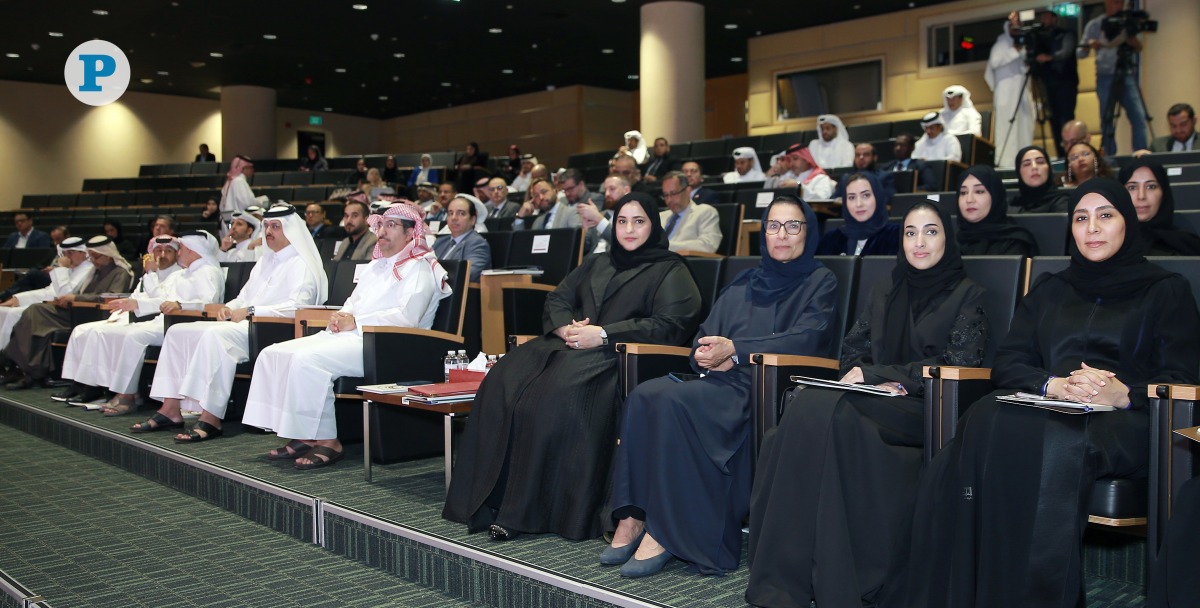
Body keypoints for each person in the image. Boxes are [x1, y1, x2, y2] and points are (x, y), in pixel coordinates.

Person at [884, 178, 1200, 608]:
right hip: (1052, 403)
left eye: (1105, 216)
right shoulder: (1051, 288)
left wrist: (1123, 393)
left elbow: (1181, 376)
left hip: (1126, 420)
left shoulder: (1166, 290)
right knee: (985, 417)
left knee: (1056, 441)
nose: (1092, 228)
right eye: (1081, 218)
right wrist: (1054, 384)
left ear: (1126, 222)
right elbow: (1009, 361)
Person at [746, 201, 989, 607]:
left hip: (927, 408)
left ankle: (827, 582)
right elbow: (851, 353)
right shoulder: (885, 290)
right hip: (875, 398)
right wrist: (871, 379)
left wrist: (888, 377)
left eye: (931, 231)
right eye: (910, 233)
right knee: (807, 408)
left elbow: (961, 363)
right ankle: (787, 579)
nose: (919, 242)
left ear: (948, 238)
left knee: (829, 413)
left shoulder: (970, 294)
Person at [443, 193, 704, 542]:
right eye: (623, 221)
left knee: (556, 394)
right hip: (570, 344)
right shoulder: (598, 261)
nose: (628, 229)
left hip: (621, 357)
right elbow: (558, 298)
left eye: (639, 221)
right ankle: (491, 501)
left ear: (653, 225)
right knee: (503, 378)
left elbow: (672, 323)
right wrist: (565, 327)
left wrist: (605, 333)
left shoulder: (671, 269)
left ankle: (531, 511)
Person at [604, 196, 838, 578]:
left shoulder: (819, 281)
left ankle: (668, 531)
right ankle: (634, 515)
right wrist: (704, 352)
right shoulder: (745, 280)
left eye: (793, 226)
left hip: (762, 386)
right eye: (773, 226)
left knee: (676, 403)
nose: (782, 234)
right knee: (644, 395)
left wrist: (738, 351)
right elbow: (704, 332)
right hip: (715, 378)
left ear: (808, 233)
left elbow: (809, 338)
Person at [242, 204, 451, 468]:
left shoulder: (420, 268)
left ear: (411, 234)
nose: (382, 231)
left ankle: (328, 441)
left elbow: (406, 318)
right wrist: (341, 316)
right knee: (274, 353)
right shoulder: (377, 265)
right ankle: (303, 434)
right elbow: (353, 302)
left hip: (391, 344)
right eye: (380, 225)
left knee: (307, 361)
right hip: (356, 337)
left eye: (391, 225)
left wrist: (355, 321)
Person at [134, 205, 327, 439]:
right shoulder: (265, 262)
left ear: (292, 230)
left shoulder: (301, 263)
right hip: (245, 324)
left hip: (273, 330)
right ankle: (170, 408)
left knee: (214, 336)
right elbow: (243, 298)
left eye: (276, 227)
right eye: (266, 226)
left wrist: (251, 310)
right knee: (178, 331)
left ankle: (210, 417)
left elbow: (297, 308)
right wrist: (230, 307)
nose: (269, 232)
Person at [55, 233, 224, 413]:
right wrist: (136, 303)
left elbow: (209, 303)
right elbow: (164, 299)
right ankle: (117, 391)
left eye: (180, 249)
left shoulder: (208, 271)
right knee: (122, 333)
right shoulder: (183, 273)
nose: (178, 253)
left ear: (192, 250)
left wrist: (180, 305)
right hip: (167, 320)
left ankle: (127, 397)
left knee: (133, 336)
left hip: (189, 323)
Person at [1, 236, 134, 390]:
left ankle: (21, 367)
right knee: (35, 314)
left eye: (96, 256)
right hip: (77, 309)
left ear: (108, 254)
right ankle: (26, 369)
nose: (93, 260)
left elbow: (110, 297)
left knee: (35, 315)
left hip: (94, 314)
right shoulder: (96, 270)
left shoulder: (120, 272)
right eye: (92, 256)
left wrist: (75, 297)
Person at [1079, 0, 1150, 156]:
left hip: (1126, 75)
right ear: (1106, 3)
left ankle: (1141, 153)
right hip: (1104, 76)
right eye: (1113, 2)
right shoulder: (1095, 24)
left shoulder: (1125, 22)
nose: (1116, 6)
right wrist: (1091, 45)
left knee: (1138, 117)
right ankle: (1110, 157)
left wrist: (1130, 38)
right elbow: (1081, 53)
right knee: (1106, 119)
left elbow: (1138, 47)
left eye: (1119, 2)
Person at [1118, 158, 1200, 256]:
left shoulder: (1188, 245)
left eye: (1151, 187)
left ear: (1164, 193)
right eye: (1132, 187)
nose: (1141, 196)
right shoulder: (1106, 244)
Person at [955, 166, 1039, 257]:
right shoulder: (948, 241)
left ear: (995, 197)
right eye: (963, 193)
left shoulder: (1014, 243)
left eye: (979, 191)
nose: (969, 199)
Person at [1030, 10, 1079, 158]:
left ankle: (1072, 154)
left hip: (1066, 83)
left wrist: (1049, 57)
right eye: (1042, 17)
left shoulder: (1066, 33)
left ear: (1054, 19)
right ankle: (1061, 156)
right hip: (1048, 85)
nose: (1043, 20)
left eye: (1046, 17)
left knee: (1066, 119)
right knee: (1054, 121)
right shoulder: (1039, 37)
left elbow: (1067, 51)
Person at [987, 20, 1034, 168]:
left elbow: (1027, 66)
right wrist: (1014, 51)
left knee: (1024, 127)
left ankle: (1025, 160)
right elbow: (994, 62)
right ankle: (1007, 163)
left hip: (1021, 93)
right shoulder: (1000, 45)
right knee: (1006, 127)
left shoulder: (1024, 45)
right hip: (1005, 95)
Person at [817, 172, 900, 256]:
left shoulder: (896, 236)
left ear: (877, 197)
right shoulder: (831, 239)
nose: (859, 204)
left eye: (866, 195)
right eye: (852, 197)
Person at [659, 171, 721, 253]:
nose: (669, 200)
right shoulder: (660, 216)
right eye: (666, 195)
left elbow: (708, 245)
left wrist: (666, 246)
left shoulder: (705, 212)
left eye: (674, 193)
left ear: (688, 191)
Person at [432, 196, 492, 281]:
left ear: (473, 219)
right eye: (450, 213)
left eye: (461, 213)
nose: (454, 218)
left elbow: (468, 275)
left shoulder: (478, 244)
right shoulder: (439, 242)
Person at [1008, 146, 1071, 214]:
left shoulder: (1063, 202)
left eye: (1040, 162)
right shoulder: (1011, 204)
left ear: (1049, 168)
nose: (1034, 167)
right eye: (1027, 164)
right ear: (1018, 172)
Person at [513, 178, 580, 230]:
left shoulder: (571, 213)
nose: (541, 197)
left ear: (555, 191)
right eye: (536, 195)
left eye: (544, 192)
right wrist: (520, 216)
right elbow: (522, 242)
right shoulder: (538, 222)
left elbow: (577, 242)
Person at [218, 156, 256, 236]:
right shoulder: (239, 181)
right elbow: (247, 203)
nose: (252, 171)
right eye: (250, 168)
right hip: (235, 221)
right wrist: (261, 202)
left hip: (226, 220)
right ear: (244, 168)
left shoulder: (230, 180)